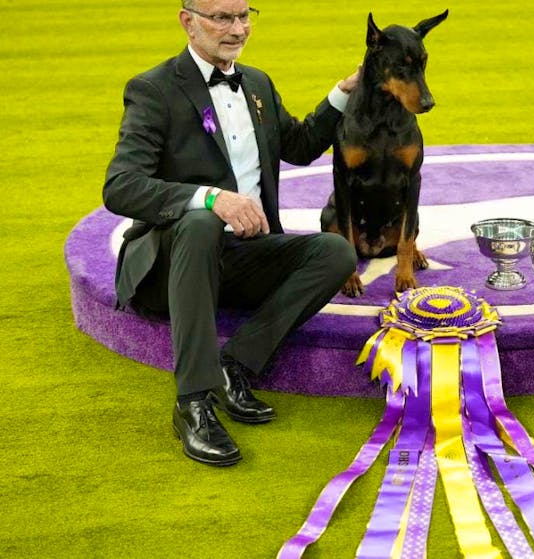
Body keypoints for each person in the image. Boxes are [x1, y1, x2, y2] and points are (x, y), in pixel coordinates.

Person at [103, 0, 359, 467]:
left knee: (335, 252)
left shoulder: (257, 82)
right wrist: (209, 198)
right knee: (201, 220)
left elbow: (299, 146)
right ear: (188, 21)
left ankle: (233, 365)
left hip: (242, 258)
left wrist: (345, 91)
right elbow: (121, 187)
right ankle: (193, 403)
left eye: (244, 16)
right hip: (171, 265)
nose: (237, 29)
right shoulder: (153, 89)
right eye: (222, 18)